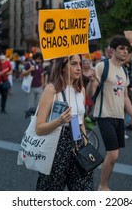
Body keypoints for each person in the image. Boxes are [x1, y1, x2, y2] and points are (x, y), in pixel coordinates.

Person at [86, 35, 132, 191]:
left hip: (119, 117)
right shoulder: (101, 66)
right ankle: (102, 186)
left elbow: (125, 97)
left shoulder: (124, 71)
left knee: (113, 157)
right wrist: (91, 81)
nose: (125, 52)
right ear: (112, 50)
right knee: (113, 155)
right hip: (104, 115)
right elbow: (91, 93)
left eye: (127, 49)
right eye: (122, 48)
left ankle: (104, 185)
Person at [35, 55, 93, 191]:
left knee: (84, 189)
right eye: (73, 64)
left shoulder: (81, 90)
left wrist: (85, 145)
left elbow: (81, 121)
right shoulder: (52, 90)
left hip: (78, 143)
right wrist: (58, 121)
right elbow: (39, 128)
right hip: (56, 146)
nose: (79, 68)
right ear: (62, 67)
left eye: (80, 63)